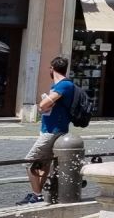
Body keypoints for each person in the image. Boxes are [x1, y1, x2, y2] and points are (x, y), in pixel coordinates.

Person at [22, 56, 75, 205]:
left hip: (53, 130)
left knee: (29, 161)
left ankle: (37, 195)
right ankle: (37, 194)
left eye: (50, 69)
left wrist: (43, 104)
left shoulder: (63, 86)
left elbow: (43, 105)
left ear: (52, 69)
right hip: (51, 129)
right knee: (44, 163)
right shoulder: (60, 86)